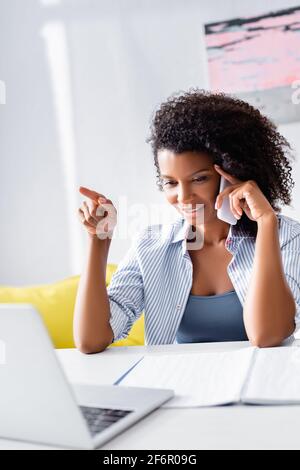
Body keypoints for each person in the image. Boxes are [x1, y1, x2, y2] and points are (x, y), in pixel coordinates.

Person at [73, 89, 300, 353]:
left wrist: (266, 224)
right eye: (170, 183)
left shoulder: (287, 238)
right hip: (183, 390)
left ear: (233, 174)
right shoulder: (151, 245)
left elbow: (267, 335)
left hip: (261, 388)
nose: (183, 197)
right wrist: (99, 241)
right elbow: (91, 341)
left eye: (199, 179)